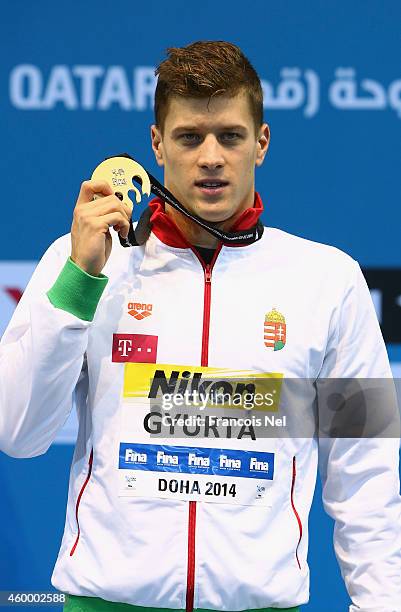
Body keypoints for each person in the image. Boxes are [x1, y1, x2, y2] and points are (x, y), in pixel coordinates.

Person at [0, 40, 400, 612]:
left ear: (261, 143)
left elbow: (368, 470)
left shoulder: (331, 281)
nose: (210, 156)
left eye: (231, 136)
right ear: (157, 144)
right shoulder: (84, 259)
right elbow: (17, 432)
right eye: (189, 137)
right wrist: (78, 281)